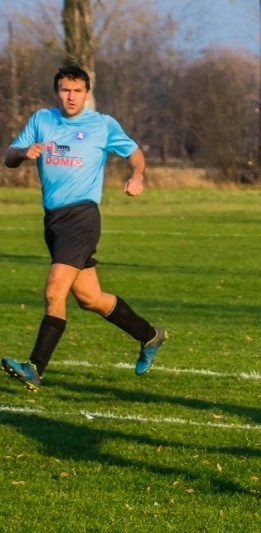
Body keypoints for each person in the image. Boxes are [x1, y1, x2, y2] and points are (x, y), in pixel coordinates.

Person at [1, 66, 167, 392]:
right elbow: (8, 156)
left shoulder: (101, 124)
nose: (71, 96)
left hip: (82, 217)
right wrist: (23, 152)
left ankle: (35, 367)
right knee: (90, 298)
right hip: (53, 220)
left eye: (77, 91)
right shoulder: (41, 120)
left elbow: (134, 153)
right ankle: (150, 336)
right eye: (65, 90)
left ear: (86, 93)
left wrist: (137, 175)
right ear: (56, 92)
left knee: (53, 292)